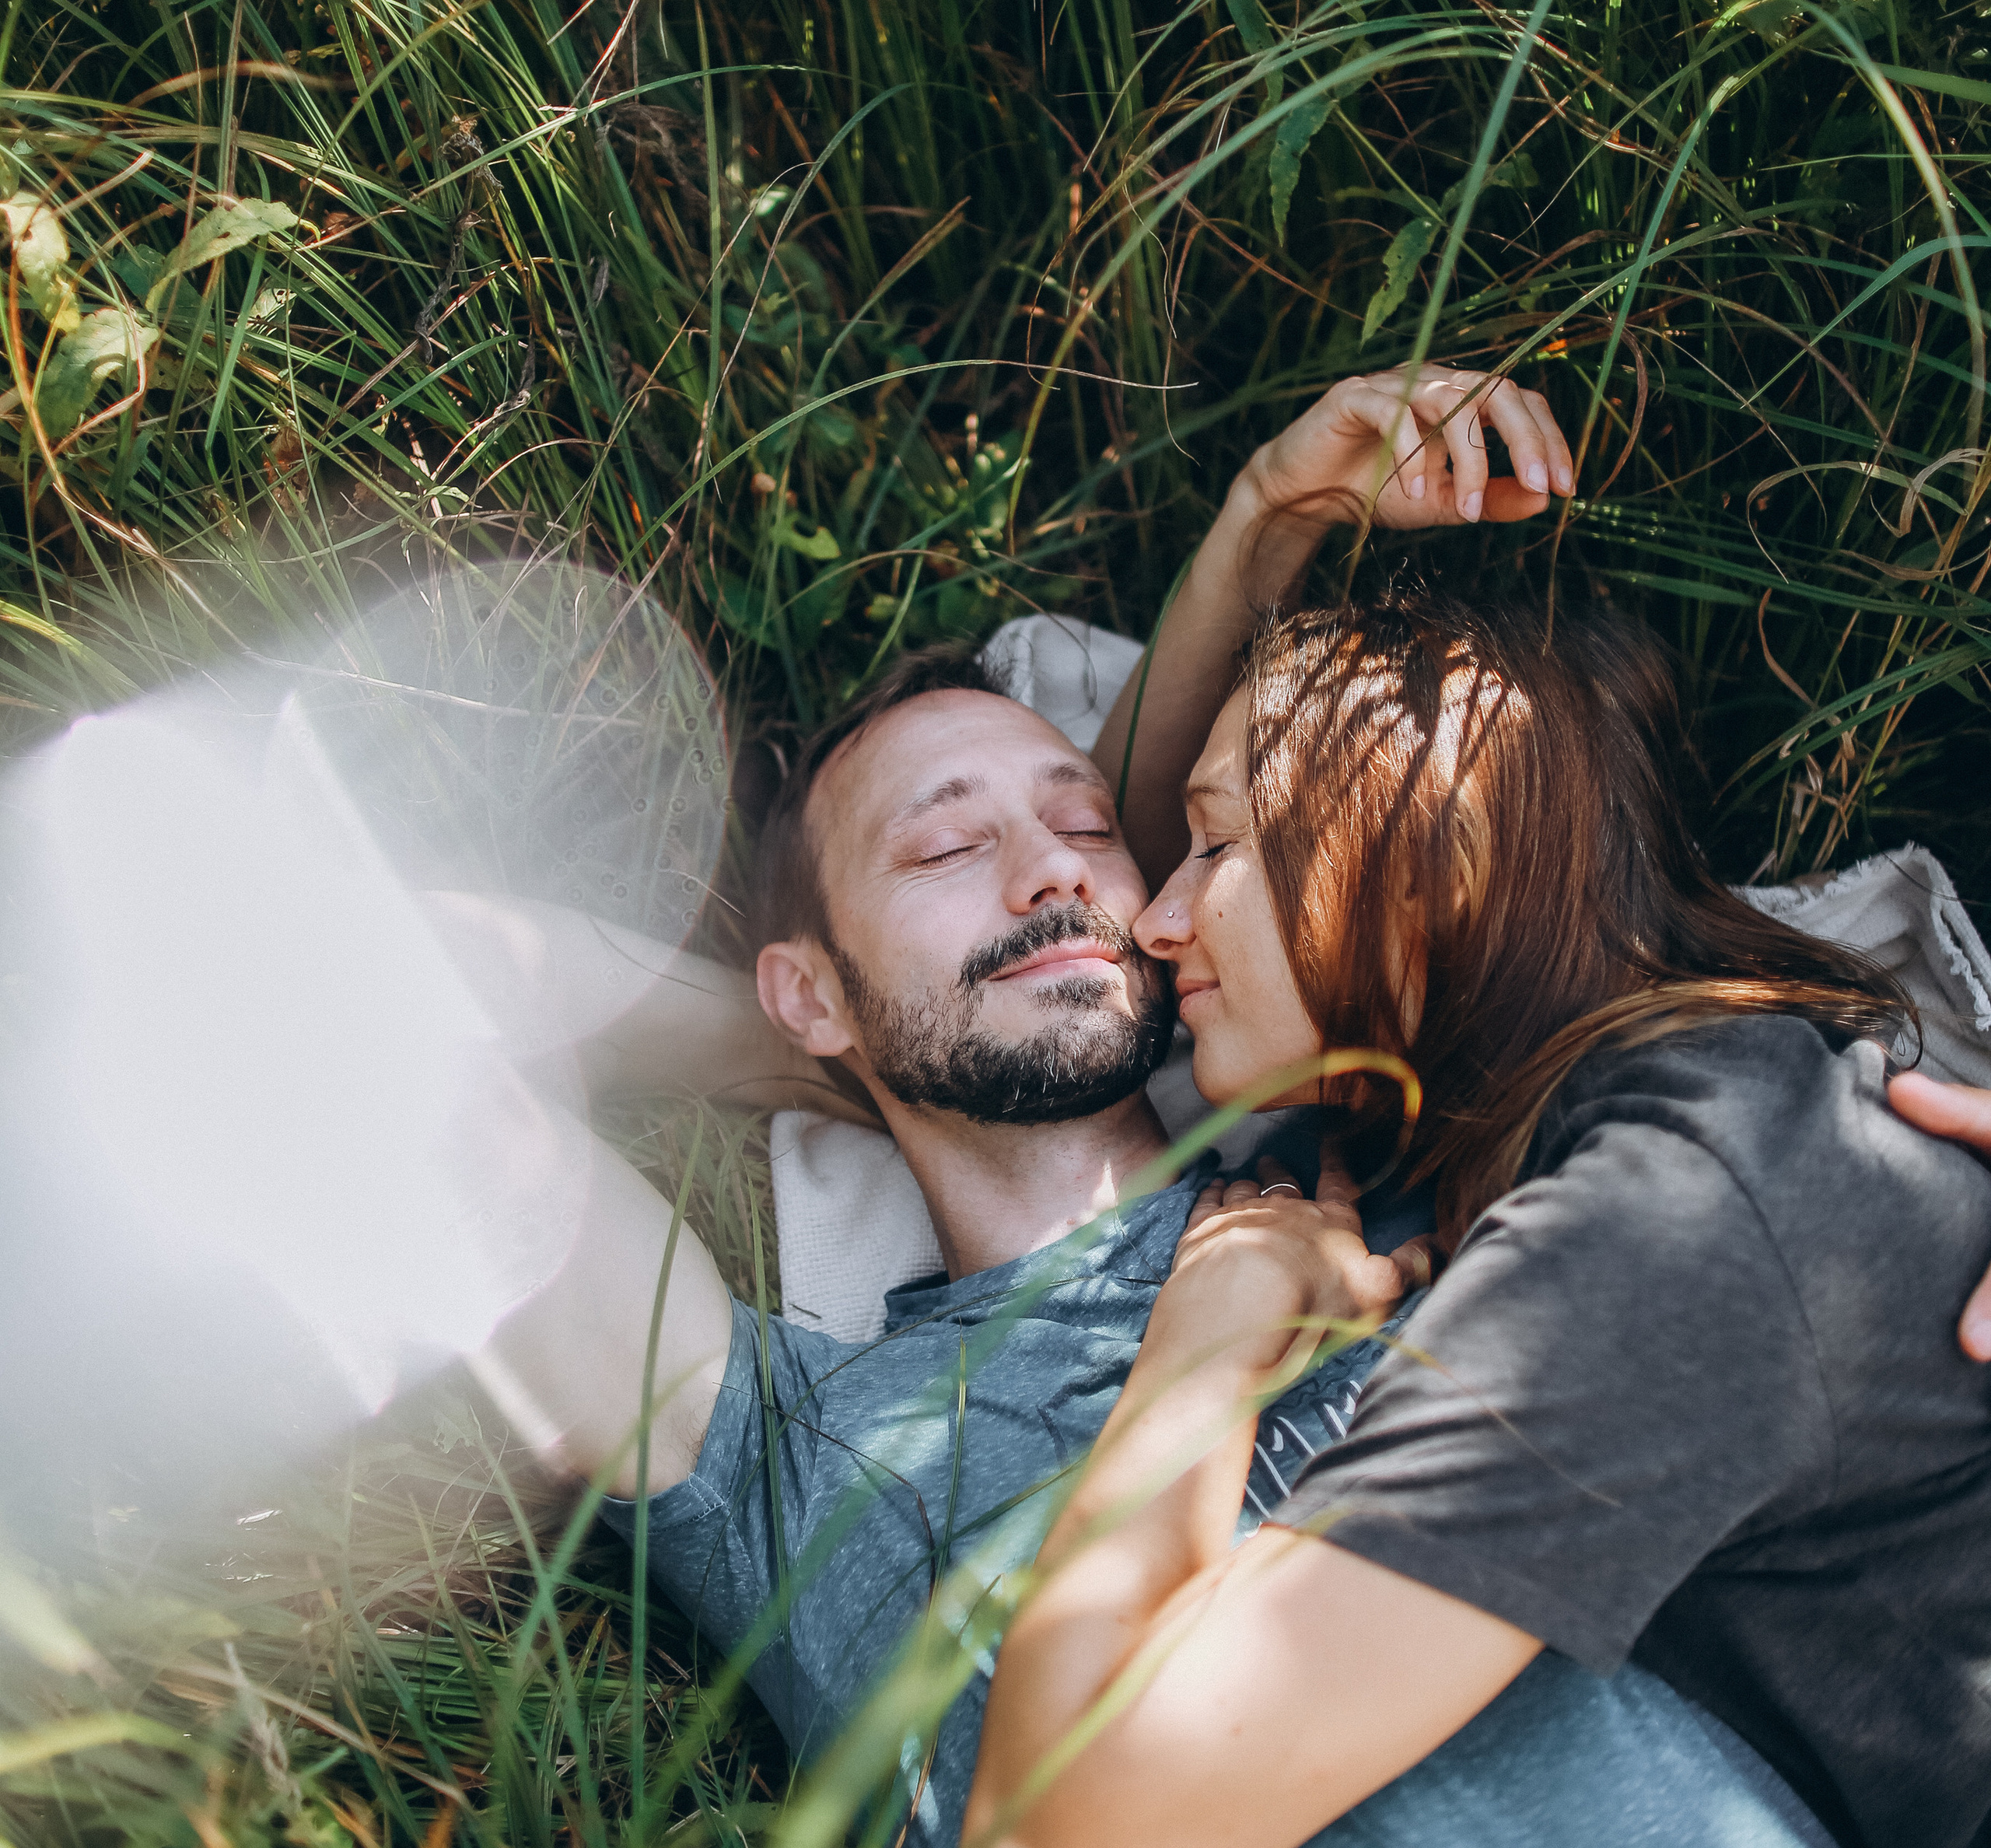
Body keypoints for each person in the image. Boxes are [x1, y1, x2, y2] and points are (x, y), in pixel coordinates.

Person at [460, 367, 1991, 1847]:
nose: (1070, 870)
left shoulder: (1446, 1184)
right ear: (814, 990)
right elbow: (405, 1005)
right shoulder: (784, 1438)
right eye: (941, 852)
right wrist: (787, 1035)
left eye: (1087, 827)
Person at [963, 594, 1991, 1848]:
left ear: (1442, 853)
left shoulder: (1685, 1215)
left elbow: (1068, 1821)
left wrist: (1205, 1347)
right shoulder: (1523, 1136)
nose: (1155, 922)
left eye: (1216, 845)